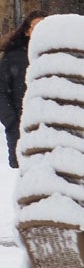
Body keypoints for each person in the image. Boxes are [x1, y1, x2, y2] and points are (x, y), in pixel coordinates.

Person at [0, 10, 47, 169]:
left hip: (50, 126)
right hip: (20, 126)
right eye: (36, 26)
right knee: (24, 175)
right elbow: (1, 91)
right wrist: (11, 121)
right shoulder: (13, 56)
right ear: (27, 31)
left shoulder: (56, 55)